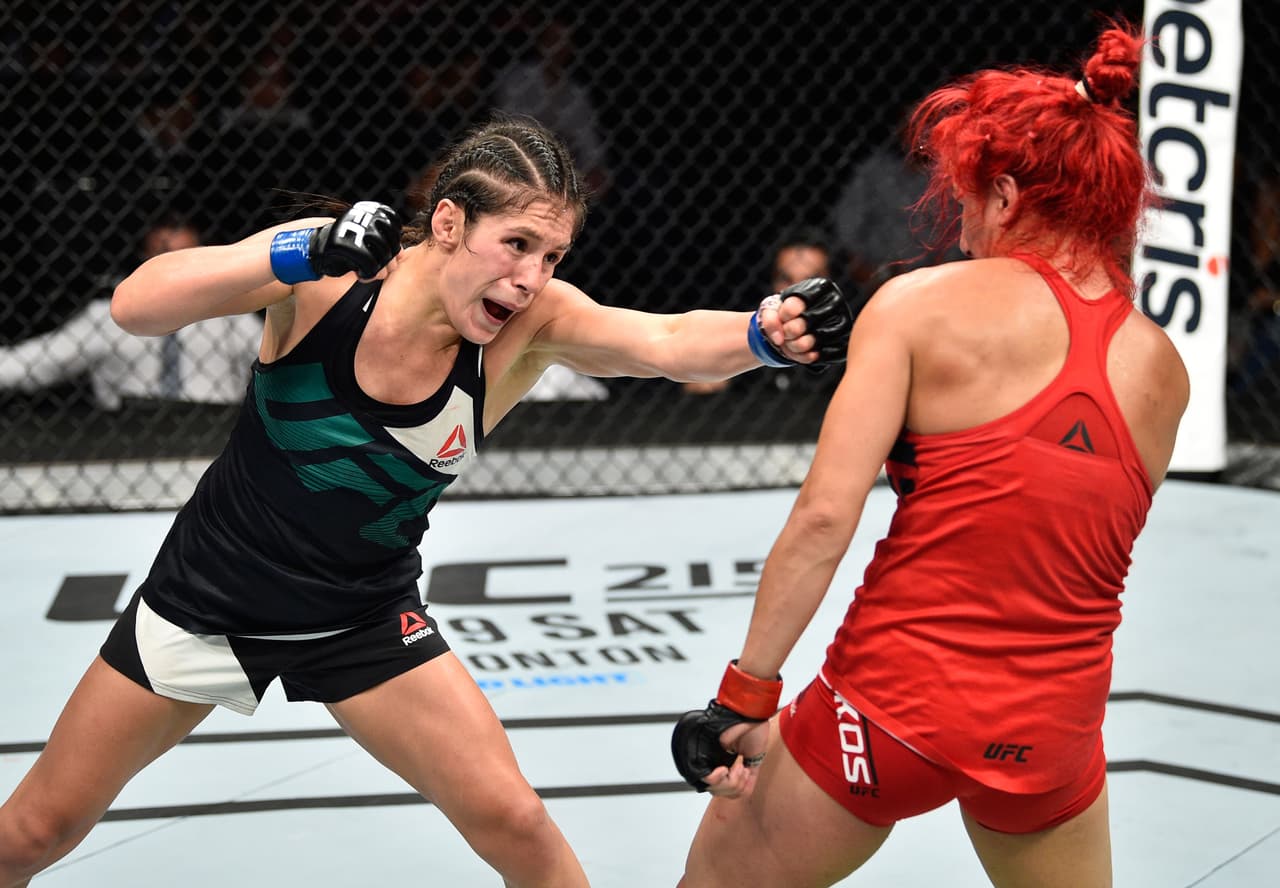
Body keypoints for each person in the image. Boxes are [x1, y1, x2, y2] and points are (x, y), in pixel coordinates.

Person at [0, 117, 852, 888]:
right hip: (208, 602)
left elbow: (663, 343)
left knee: (518, 823)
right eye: (516, 244)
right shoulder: (327, 275)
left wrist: (760, 335)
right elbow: (135, 307)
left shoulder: (531, 325)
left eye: (551, 256)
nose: (530, 278)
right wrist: (298, 252)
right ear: (448, 222)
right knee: (35, 830)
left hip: (362, 617)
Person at [671, 23, 1189, 888]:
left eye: (967, 200)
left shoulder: (920, 306)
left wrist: (744, 698)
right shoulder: (1162, 366)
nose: (962, 224)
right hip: (1053, 736)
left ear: (1010, 194)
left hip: (890, 707)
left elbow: (825, 516)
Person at [0, 217, 263, 410]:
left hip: (215, 438)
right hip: (128, 441)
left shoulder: (234, 316)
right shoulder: (105, 318)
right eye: (165, 254)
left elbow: (284, 361)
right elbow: (31, 364)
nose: (178, 264)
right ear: (145, 258)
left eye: (188, 254)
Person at [683, 227, 836, 395]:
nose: (797, 292)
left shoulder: (852, 346)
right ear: (772, 281)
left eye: (810, 281)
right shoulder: (745, 337)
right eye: (786, 280)